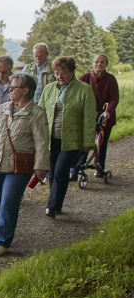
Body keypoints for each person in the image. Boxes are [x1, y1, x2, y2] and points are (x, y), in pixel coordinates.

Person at [0, 74, 49, 255]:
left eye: (13, 87)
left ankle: (3, 240)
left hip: (19, 167)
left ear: (26, 90)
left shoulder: (36, 113)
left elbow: (42, 142)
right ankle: (1, 225)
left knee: (9, 202)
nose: (10, 90)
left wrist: (40, 167)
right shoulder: (2, 109)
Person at [38, 56, 97, 218]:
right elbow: (40, 114)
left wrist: (88, 142)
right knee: (51, 173)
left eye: (63, 73)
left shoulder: (84, 90)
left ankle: (52, 206)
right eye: (56, 73)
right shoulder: (49, 89)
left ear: (72, 72)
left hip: (71, 140)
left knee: (60, 171)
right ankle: (56, 202)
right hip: (50, 139)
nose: (59, 76)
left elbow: (89, 119)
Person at [76, 54, 120, 174]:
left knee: (101, 144)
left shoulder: (111, 79)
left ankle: (99, 168)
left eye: (102, 62)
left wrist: (107, 112)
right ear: (93, 63)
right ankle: (77, 169)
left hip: (105, 117)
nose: (99, 64)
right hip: (87, 117)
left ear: (106, 64)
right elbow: (76, 94)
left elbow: (114, 99)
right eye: (96, 62)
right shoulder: (85, 77)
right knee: (84, 143)